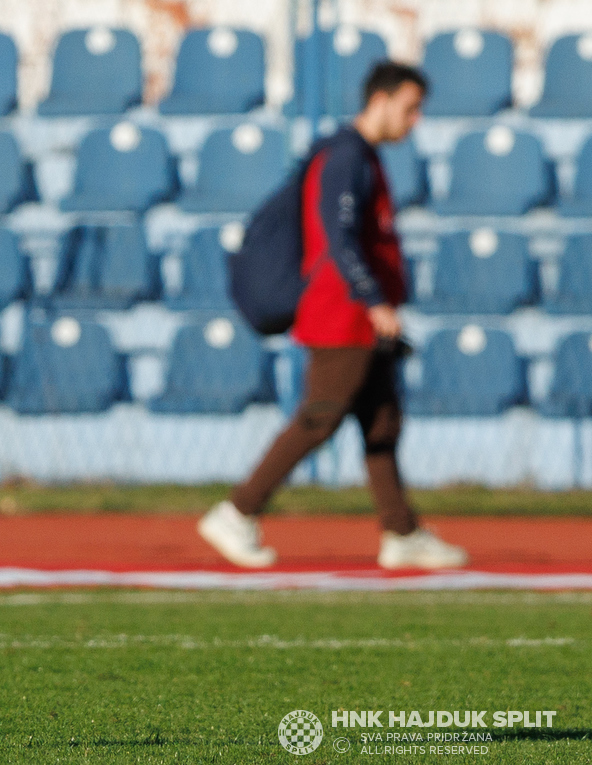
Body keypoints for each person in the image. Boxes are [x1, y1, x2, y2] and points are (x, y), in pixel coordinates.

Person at [200, 61, 468, 571]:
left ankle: (402, 532)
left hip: (360, 315)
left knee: (381, 421)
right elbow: (336, 236)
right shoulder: (344, 156)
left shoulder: (360, 156)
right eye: (410, 109)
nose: (415, 122)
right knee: (319, 417)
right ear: (381, 100)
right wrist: (372, 299)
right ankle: (236, 512)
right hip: (341, 314)